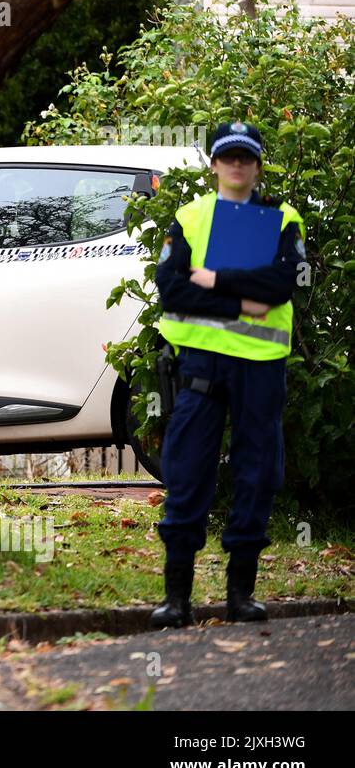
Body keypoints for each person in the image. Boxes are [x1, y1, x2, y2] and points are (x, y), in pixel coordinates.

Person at [151, 121, 306, 628]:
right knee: (188, 471)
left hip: (260, 369)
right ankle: (177, 600)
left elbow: (282, 284)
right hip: (200, 364)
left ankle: (240, 595)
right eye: (228, 157)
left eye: (246, 157)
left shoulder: (283, 219)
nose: (237, 165)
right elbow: (172, 291)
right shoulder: (191, 216)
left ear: (258, 165)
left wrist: (214, 278)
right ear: (214, 164)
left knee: (256, 473)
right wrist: (244, 300)